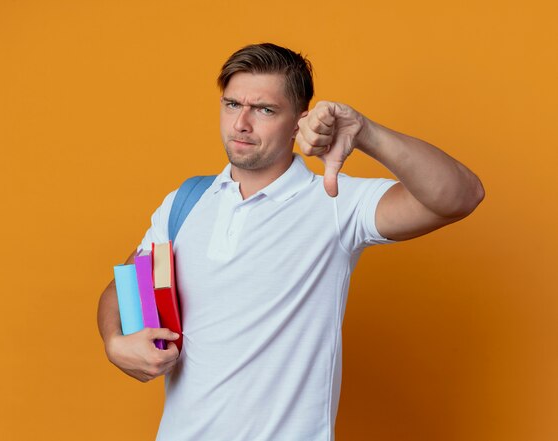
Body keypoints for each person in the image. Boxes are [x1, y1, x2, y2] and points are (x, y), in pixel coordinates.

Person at [97, 43, 484, 440]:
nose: (241, 123)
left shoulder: (335, 201)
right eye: (232, 105)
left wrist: (366, 133)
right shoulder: (185, 201)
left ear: (299, 122)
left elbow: (460, 195)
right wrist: (114, 341)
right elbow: (122, 284)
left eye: (264, 110)